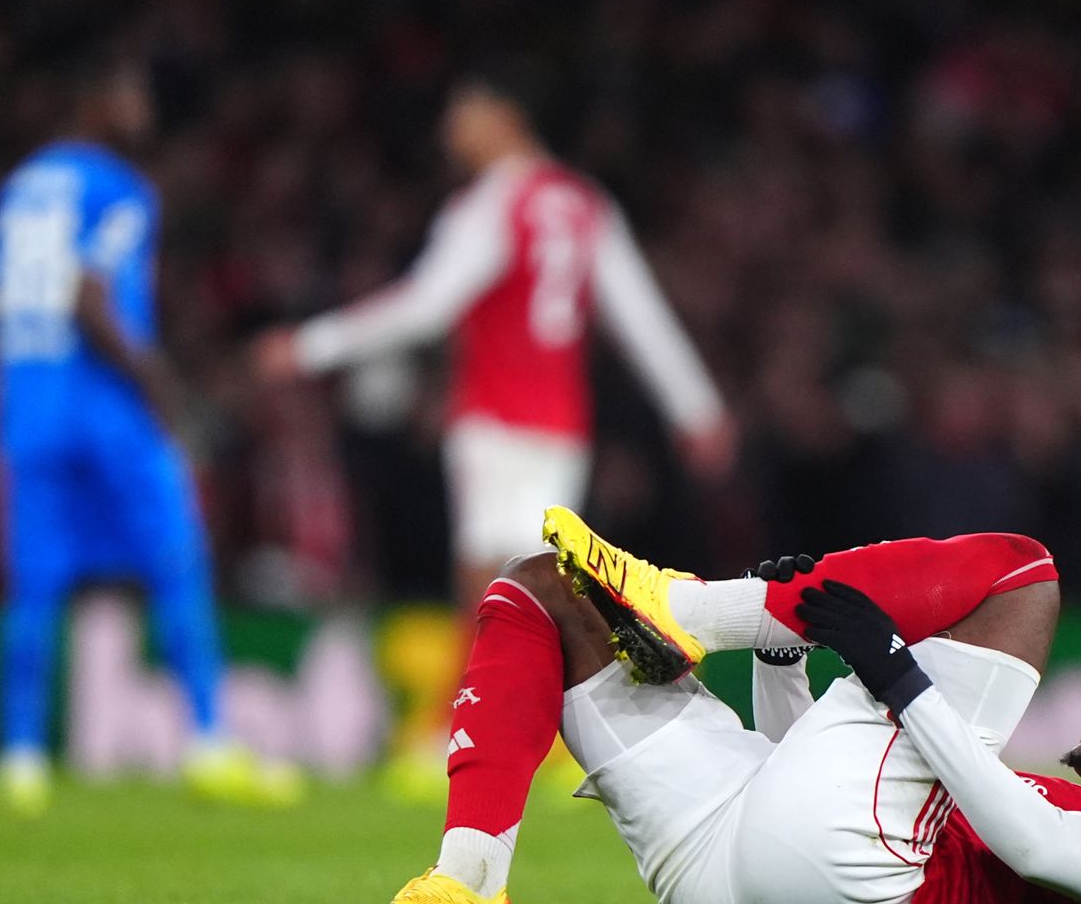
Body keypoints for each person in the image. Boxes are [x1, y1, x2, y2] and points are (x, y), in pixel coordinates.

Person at [327, 508, 1081, 904]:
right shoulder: (1059, 799)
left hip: (860, 887)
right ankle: (468, 885)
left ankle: (692, 610)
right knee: (543, 587)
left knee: (1023, 571)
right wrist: (782, 660)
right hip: (728, 860)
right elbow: (800, 778)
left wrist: (896, 672)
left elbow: (1030, 845)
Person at [250, 66, 735, 791]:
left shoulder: (491, 206)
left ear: (505, 116)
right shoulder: (584, 204)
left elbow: (425, 306)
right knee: (543, 579)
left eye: (466, 110)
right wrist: (697, 408)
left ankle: (454, 735)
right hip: (561, 424)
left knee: (490, 581)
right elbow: (640, 314)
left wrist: (308, 346)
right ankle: (564, 737)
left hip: (494, 417)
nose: (454, 128)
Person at [0, 56, 298, 817]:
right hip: (107, 407)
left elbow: (5, 300)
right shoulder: (118, 188)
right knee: (176, 558)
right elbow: (90, 298)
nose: (143, 112)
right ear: (97, 101)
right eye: (130, 96)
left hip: (30, 404)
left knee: (34, 584)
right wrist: (161, 390)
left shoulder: (17, 190)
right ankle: (208, 740)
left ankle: (21, 758)